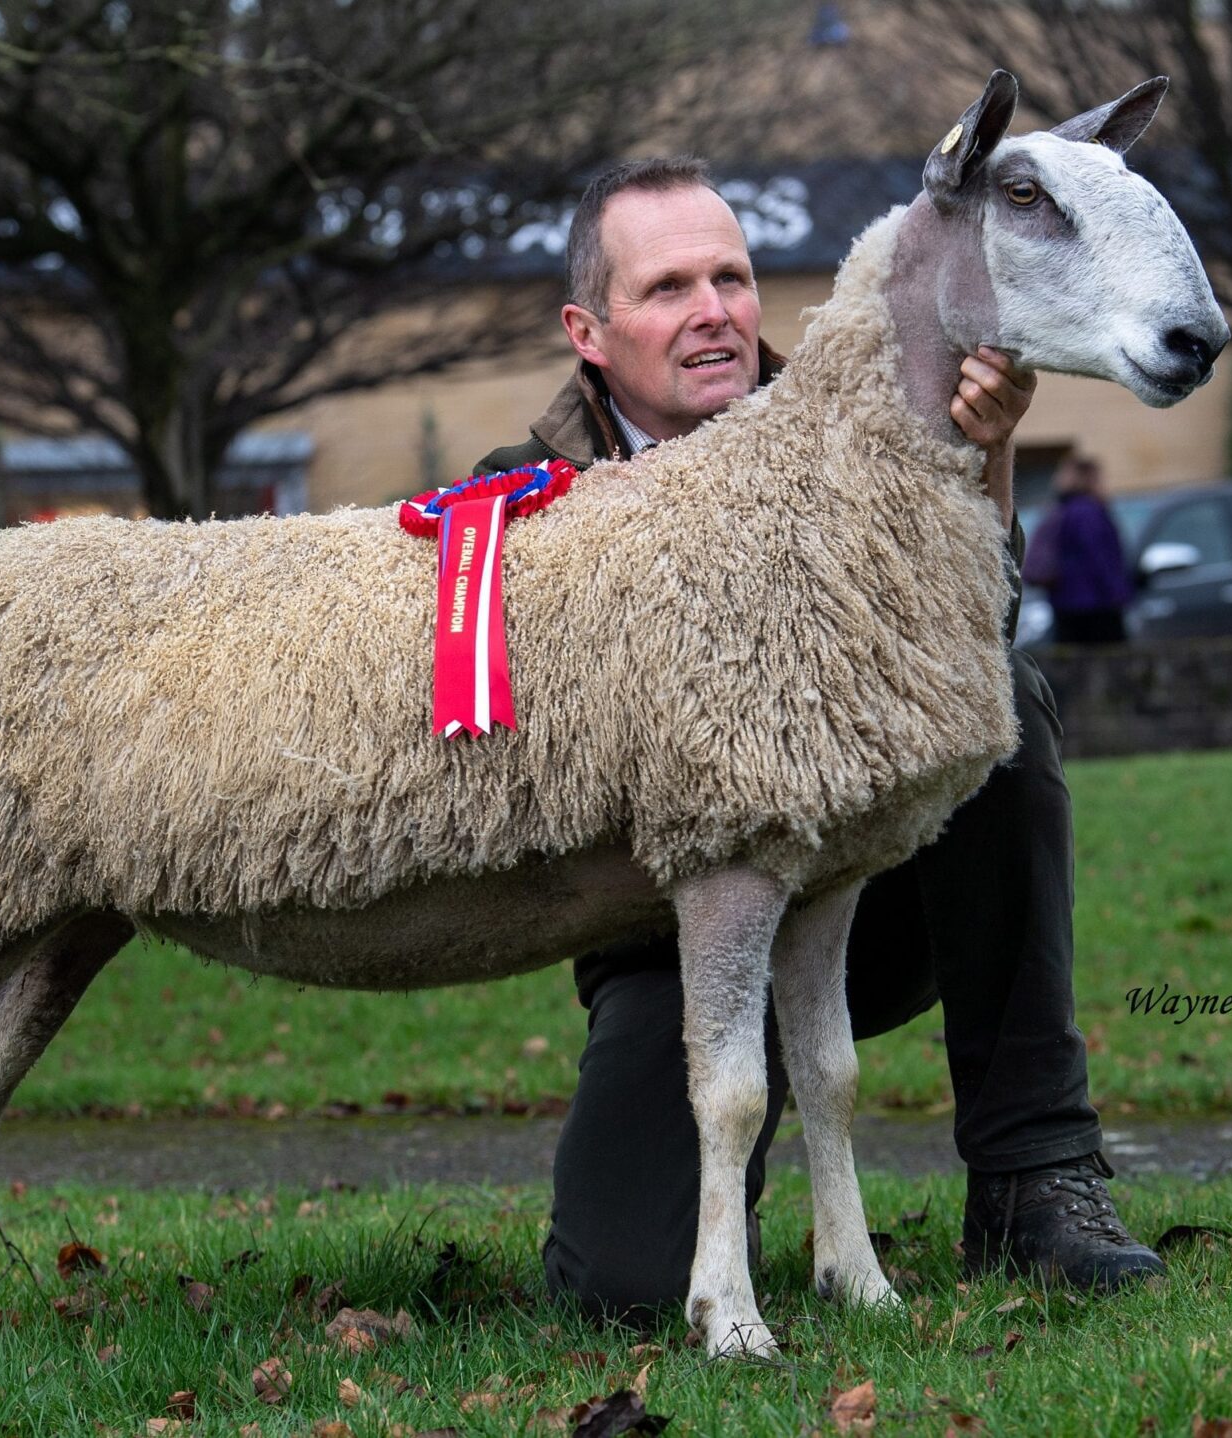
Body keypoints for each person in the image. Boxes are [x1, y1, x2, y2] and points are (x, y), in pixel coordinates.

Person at [476, 157, 1163, 1317]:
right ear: (588, 331)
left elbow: (968, 640)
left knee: (999, 702)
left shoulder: (865, 418)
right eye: (668, 288)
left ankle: (1034, 1179)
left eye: (731, 277)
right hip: (662, 936)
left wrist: (984, 452)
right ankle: (710, 1170)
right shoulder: (520, 498)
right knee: (621, 1288)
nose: (714, 312)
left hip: (866, 899)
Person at [1026, 458, 1136, 645]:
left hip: (1065, 602)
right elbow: (1099, 557)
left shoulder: (1061, 509)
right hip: (1094, 605)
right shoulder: (1088, 512)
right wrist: (1118, 593)